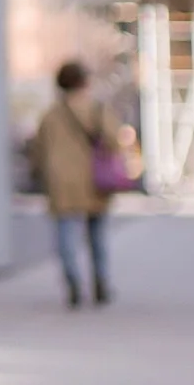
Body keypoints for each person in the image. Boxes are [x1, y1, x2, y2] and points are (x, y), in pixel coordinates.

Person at [34, 58, 118, 305]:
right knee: (97, 235)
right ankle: (101, 280)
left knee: (66, 234)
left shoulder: (50, 115)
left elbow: (38, 150)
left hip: (61, 182)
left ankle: (72, 279)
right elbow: (114, 141)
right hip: (94, 180)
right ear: (84, 81)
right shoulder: (97, 109)